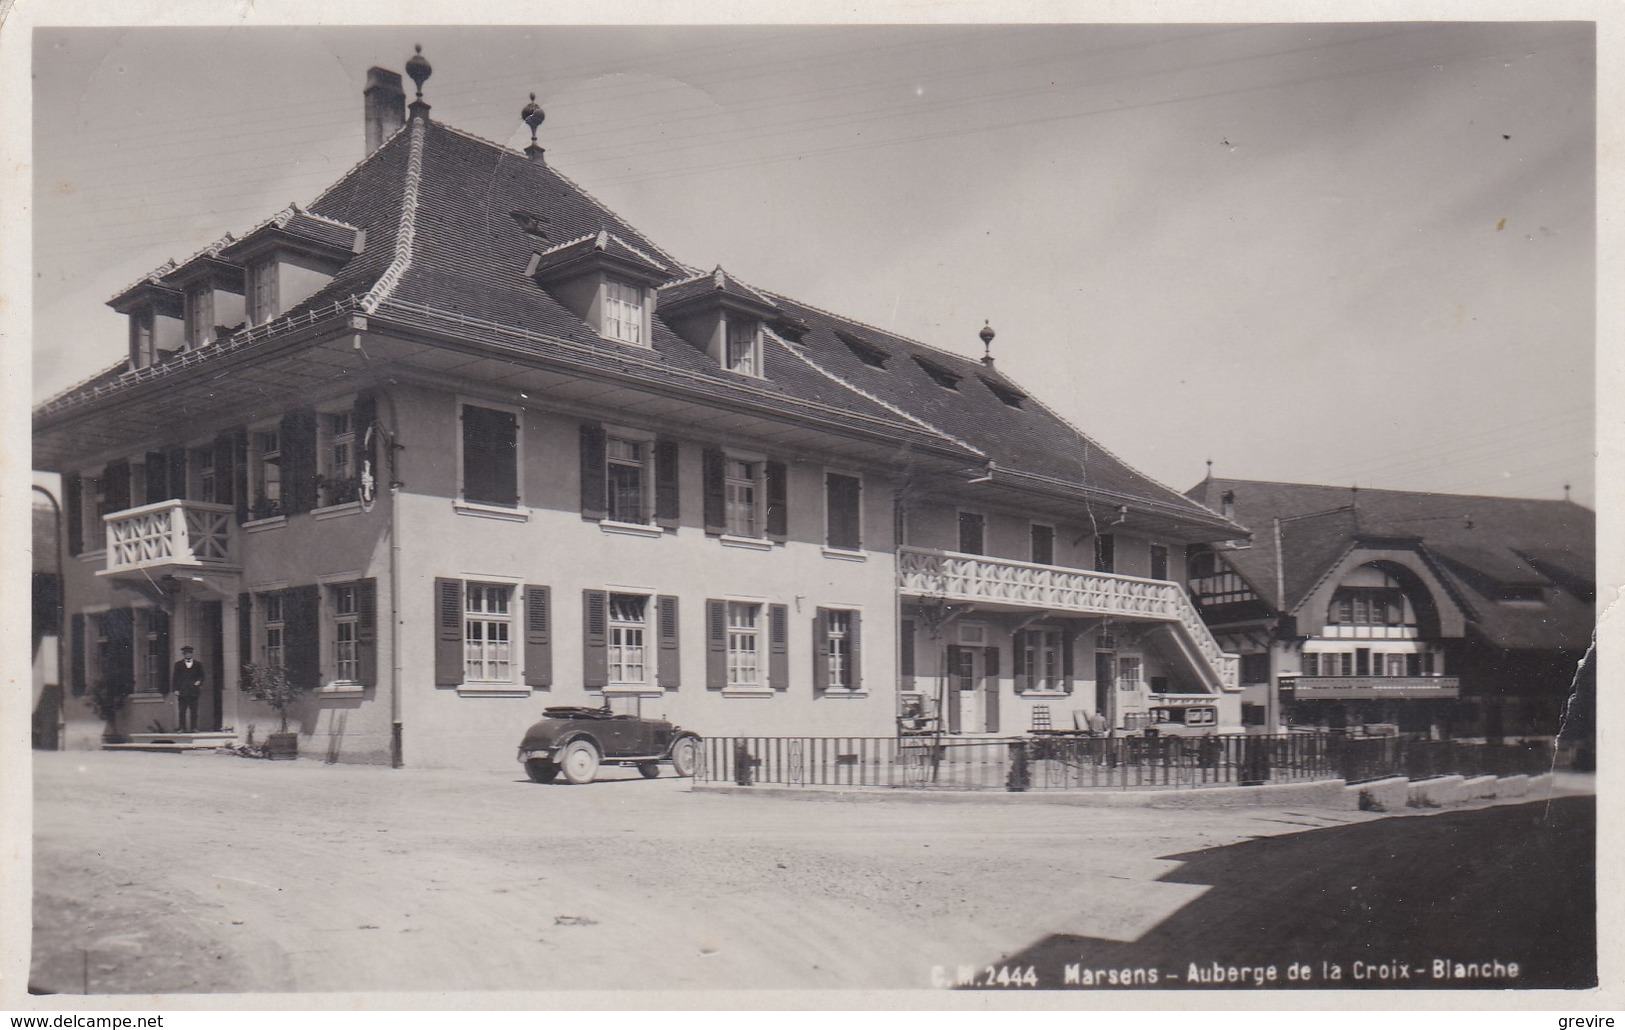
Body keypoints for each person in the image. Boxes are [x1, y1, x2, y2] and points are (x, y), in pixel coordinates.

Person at [172, 645, 206, 733]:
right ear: (183, 654)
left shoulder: (198, 664)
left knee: (194, 710)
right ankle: (182, 728)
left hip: (194, 691)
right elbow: (175, 678)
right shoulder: (178, 664)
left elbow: (202, 676)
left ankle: (194, 727)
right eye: (186, 653)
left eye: (189, 653)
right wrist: (175, 689)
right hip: (182, 691)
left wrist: (199, 682)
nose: (188, 655)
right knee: (182, 710)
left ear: (192, 654)